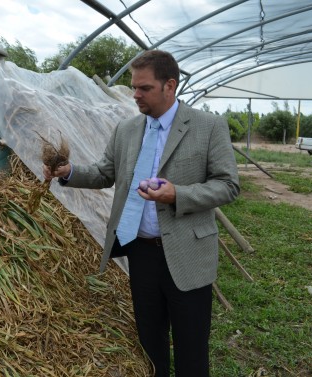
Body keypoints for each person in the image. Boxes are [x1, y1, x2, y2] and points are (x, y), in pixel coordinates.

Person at [42, 50, 239, 376]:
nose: (135, 94)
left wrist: (178, 193)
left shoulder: (207, 127)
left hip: (187, 254)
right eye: (134, 87)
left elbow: (228, 185)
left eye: (144, 88)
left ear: (169, 86)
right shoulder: (127, 130)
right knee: (150, 344)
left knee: (191, 349)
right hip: (141, 252)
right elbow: (105, 173)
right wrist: (69, 171)